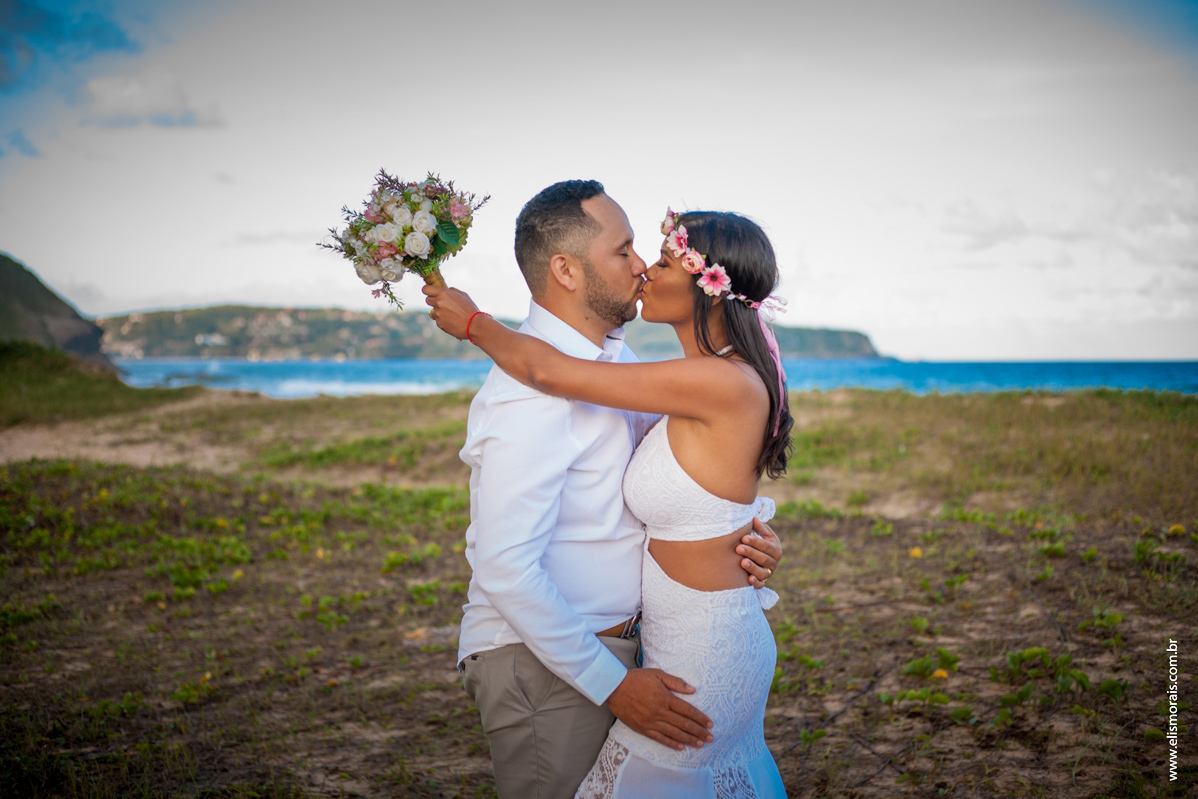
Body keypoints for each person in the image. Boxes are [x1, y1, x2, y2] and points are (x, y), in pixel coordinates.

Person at [426, 200, 793, 798]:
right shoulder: (599, 379)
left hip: (670, 651)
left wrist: (475, 323)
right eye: (625, 251)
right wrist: (739, 527)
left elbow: (549, 371)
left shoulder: (686, 376)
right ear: (569, 270)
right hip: (569, 659)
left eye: (661, 257)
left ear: (710, 287)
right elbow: (504, 565)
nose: (644, 266)